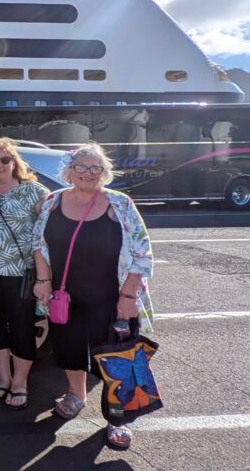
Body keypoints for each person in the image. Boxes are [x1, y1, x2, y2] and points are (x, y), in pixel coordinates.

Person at [33, 143, 155, 450]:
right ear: (69, 171)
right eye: (82, 167)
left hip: (112, 297)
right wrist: (44, 280)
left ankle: (118, 418)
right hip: (65, 297)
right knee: (69, 350)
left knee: (116, 358)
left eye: (95, 169)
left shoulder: (120, 204)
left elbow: (142, 251)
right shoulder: (51, 203)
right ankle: (76, 395)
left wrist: (128, 295)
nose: (88, 174)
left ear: (104, 173)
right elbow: (38, 244)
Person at [0, 138, 49, 410]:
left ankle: (20, 383)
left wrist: (44, 275)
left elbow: (49, 229)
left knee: (21, 328)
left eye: (5, 159)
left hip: (22, 274)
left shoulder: (33, 192)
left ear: (14, 163)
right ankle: (3, 378)